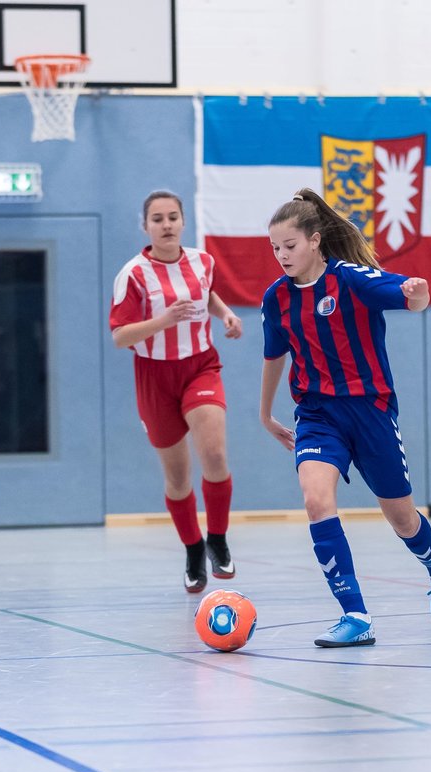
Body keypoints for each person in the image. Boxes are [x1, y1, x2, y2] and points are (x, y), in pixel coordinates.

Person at [258, 188, 431, 647]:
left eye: (289, 246)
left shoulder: (350, 279)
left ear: (313, 241)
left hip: (370, 411)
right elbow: (274, 354)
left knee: (402, 520)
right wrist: (266, 413)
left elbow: (408, 296)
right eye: (274, 249)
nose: (281, 256)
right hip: (316, 414)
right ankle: (355, 615)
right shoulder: (277, 299)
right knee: (315, 500)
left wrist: (419, 293)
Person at [110, 190, 243, 593]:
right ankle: (192, 548)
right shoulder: (132, 274)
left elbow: (207, 293)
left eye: (172, 217)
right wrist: (163, 320)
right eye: (157, 219)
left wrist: (226, 314)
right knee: (177, 476)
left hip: (200, 365)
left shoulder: (203, 261)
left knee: (215, 454)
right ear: (145, 226)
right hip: (154, 375)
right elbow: (120, 336)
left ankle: (217, 539)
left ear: (183, 221)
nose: (166, 225)